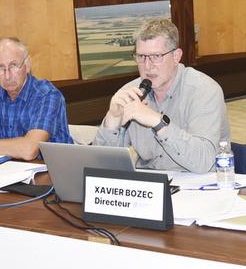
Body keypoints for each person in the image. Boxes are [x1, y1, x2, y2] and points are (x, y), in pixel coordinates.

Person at [94, 19, 229, 173]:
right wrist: (112, 120)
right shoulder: (131, 92)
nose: (147, 66)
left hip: (200, 187)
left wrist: (158, 122)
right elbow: (102, 166)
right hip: (151, 188)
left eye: (156, 56)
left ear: (176, 56)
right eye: (141, 57)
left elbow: (203, 162)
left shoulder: (204, 91)